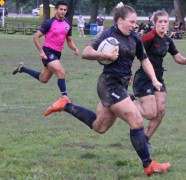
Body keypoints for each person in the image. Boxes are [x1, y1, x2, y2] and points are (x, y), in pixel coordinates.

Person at [43, 2, 170, 176]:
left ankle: (65, 105)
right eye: (131, 22)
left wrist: (154, 80)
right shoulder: (108, 34)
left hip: (122, 84)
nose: (135, 25)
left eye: (135, 22)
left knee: (99, 126)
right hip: (109, 83)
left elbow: (144, 60)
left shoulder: (135, 38)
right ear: (119, 20)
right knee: (136, 120)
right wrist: (105, 55)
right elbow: (86, 52)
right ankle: (149, 165)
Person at [132, 10, 186, 146]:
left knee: (160, 111)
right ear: (155, 23)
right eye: (160, 22)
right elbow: (133, 54)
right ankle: (127, 100)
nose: (163, 24)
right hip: (144, 78)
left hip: (159, 77)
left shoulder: (167, 41)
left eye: (165, 22)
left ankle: (145, 140)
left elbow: (177, 57)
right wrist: (128, 73)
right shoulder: (148, 37)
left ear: (168, 23)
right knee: (150, 113)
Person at [12, 1, 79, 115]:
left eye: (64, 10)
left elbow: (69, 40)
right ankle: (65, 97)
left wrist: (74, 48)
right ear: (56, 10)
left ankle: (22, 69)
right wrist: (41, 52)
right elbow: (36, 37)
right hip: (47, 52)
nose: (63, 11)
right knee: (61, 72)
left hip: (57, 54)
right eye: (61, 9)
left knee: (43, 79)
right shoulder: (49, 23)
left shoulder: (67, 24)